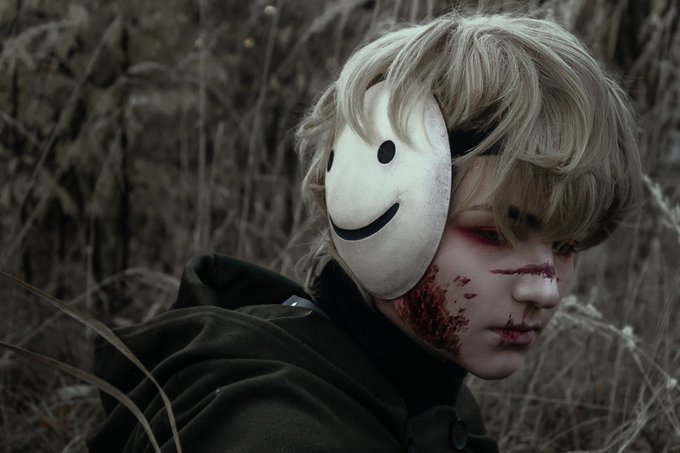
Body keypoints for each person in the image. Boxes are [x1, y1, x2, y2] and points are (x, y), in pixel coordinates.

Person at [87, 11, 642, 453]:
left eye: (567, 245)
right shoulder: (276, 432)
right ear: (373, 196)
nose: (545, 289)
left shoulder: (429, 394)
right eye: (495, 234)